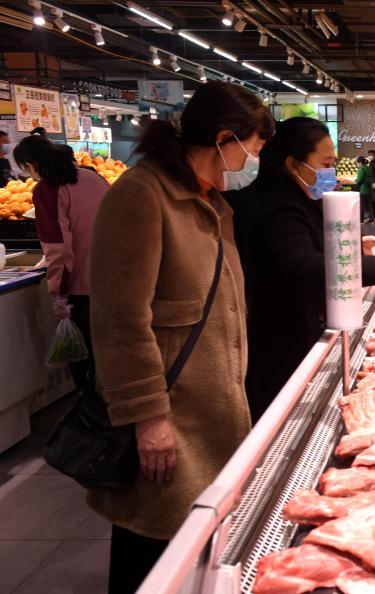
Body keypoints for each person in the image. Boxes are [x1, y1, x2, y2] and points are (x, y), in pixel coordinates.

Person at [88, 81, 274, 594]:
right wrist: (148, 417)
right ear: (223, 138)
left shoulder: (209, 199)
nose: (253, 159)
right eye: (252, 148)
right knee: (151, 548)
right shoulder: (142, 195)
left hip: (214, 412)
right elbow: (120, 318)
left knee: (195, 547)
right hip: (171, 417)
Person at [244, 117, 375, 421]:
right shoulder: (278, 204)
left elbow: (311, 244)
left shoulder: (299, 196)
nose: (331, 172)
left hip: (300, 322)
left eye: (334, 163)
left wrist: (357, 244)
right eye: (325, 163)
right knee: (285, 414)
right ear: (292, 164)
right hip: (282, 337)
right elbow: (299, 261)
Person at [12, 134, 108, 393]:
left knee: (85, 363)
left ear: (30, 166)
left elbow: (58, 248)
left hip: (83, 287)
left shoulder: (47, 190)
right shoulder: (93, 177)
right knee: (112, 360)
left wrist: (58, 295)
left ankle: (91, 419)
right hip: (118, 282)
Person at [355, 155, 374, 222]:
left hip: (362, 189)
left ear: (360, 163)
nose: (357, 165)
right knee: (369, 205)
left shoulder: (361, 169)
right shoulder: (368, 168)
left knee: (361, 205)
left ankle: (361, 219)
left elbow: (359, 180)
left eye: (357, 163)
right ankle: (372, 219)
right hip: (368, 189)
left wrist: (356, 180)